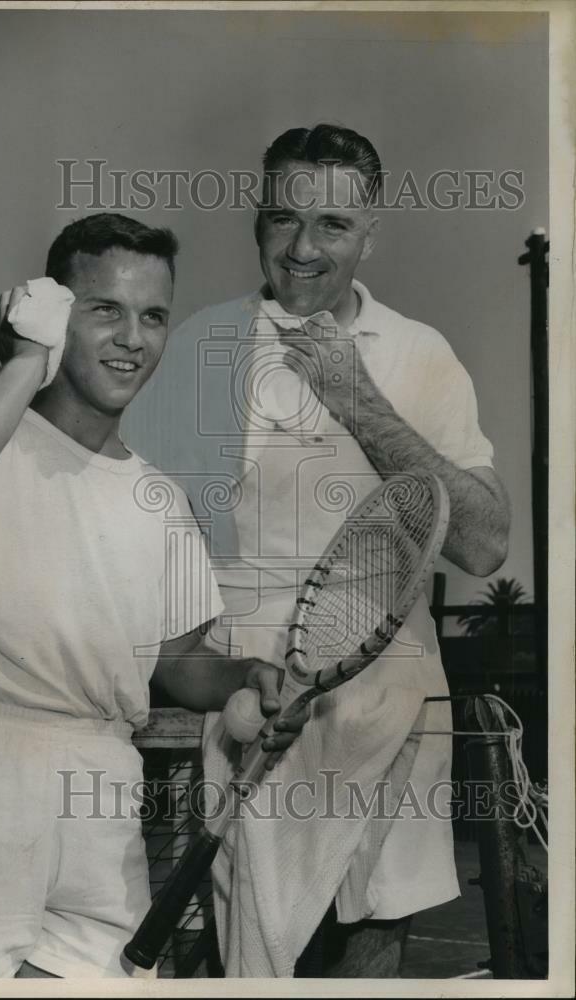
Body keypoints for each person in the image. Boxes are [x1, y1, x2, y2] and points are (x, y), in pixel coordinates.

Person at [0, 212, 307, 979]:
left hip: (106, 784)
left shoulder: (161, 499)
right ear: (52, 311)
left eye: (153, 317)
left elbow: (177, 663)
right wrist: (23, 364)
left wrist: (247, 678)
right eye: (105, 309)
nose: (132, 339)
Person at [123, 125, 511, 977]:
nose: (302, 249)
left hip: (395, 700)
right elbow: (139, 538)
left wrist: (355, 396)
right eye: (281, 220)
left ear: (371, 232)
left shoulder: (421, 354)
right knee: (247, 952)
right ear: (256, 224)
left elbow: (482, 546)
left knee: (373, 941)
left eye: (332, 225)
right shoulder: (194, 348)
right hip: (249, 704)